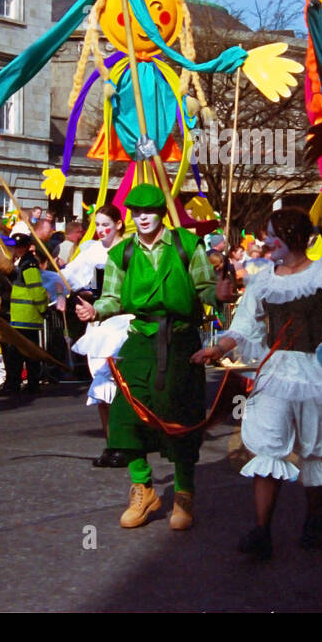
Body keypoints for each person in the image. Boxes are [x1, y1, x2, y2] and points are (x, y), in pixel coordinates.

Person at [193, 209, 322, 558]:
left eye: (272, 234)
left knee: (316, 449)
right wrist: (216, 348)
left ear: (292, 237)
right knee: (269, 448)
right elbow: (244, 327)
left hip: (314, 372)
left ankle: (314, 519)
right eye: (266, 235)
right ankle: (262, 531)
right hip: (274, 374)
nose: (266, 241)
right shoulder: (262, 279)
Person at [87, 183, 221, 532]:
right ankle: (143, 489)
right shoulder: (121, 254)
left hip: (180, 340)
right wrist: (94, 310)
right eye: (136, 212)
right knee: (126, 415)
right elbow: (112, 298)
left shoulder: (187, 245)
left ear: (162, 213)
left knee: (181, 415)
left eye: (149, 211)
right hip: (139, 339)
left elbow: (206, 290)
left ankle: (184, 492)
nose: (142, 217)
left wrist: (218, 292)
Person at [69, 204, 131, 463]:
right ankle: (112, 443)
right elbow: (70, 278)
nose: (101, 230)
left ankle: (126, 444)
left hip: (121, 324)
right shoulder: (91, 252)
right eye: (97, 225)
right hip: (97, 326)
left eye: (106, 224)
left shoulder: (130, 251)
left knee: (116, 383)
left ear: (118, 223)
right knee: (100, 384)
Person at [0, 225, 47, 397]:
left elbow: (36, 289)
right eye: (16, 246)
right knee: (22, 352)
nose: (17, 249)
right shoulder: (23, 262)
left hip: (27, 317)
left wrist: (42, 308)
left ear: (27, 247)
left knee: (26, 353)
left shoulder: (29, 264)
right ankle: (25, 383)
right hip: (22, 316)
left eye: (20, 246)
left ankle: (29, 384)